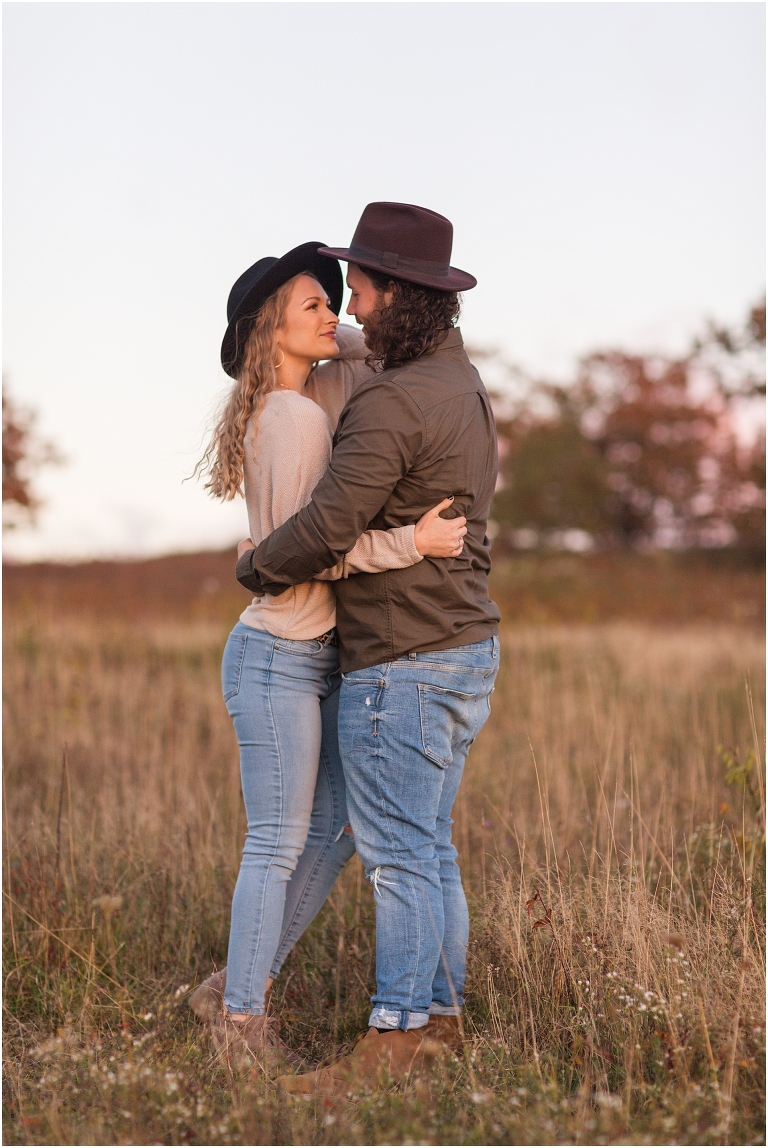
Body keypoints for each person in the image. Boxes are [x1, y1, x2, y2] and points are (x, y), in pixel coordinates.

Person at [235, 203, 501, 1094]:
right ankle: (443, 1022)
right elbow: (352, 346)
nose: (350, 305)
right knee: (429, 846)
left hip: (406, 658)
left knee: (394, 852)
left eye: (361, 289)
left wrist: (256, 564)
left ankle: (395, 1035)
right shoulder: (459, 382)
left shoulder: (388, 401)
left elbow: (326, 528)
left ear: (394, 296)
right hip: (465, 645)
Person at [190, 241, 467, 1069]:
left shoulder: (313, 389)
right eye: (314, 304)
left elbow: (363, 344)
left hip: (319, 657)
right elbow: (310, 550)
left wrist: (345, 329)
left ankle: (233, 986)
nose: (336, 315)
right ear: (274, 325)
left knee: (340, 826)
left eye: (337, 301)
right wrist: (410, 543)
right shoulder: (296, 417)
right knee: (276, 843)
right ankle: (239, 1027)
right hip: (278, 653)